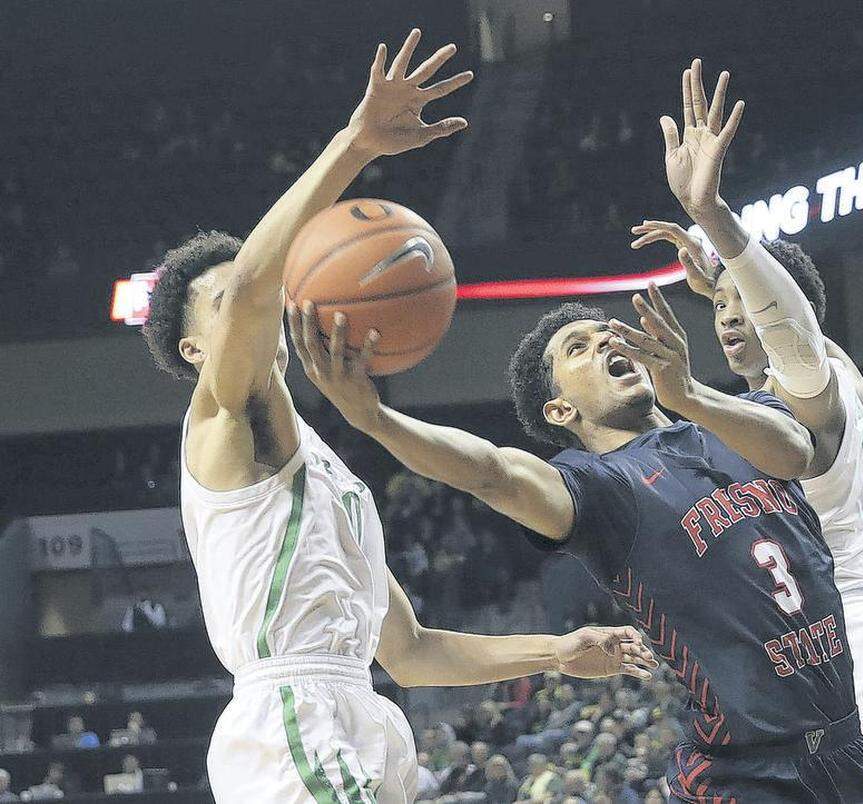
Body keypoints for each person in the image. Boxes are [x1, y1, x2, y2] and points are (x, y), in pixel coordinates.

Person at [291, 62, 863, 804]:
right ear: (561, 412)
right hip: (744, 772)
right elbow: (491, 472)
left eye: (607, 332)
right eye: (578, 350)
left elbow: (812, 378)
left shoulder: (737, 421)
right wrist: (373, 417)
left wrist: (721, 242)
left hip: (847, 746)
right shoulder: (597, 489)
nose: (606, 343)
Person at [140, 30, 653, 803]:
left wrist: (557, 649)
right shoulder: (220, 421)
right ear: (190, 346)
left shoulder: (329, 471)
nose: (264, 295)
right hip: (291, 714)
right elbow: (252, 280)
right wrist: (355, 144)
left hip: (363, 710)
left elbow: (410, 652)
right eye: (227, 300)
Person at [627, 59, 863, 803]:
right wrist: (718, 278)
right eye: (717, 310)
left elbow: (790, 331)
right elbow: (785, 324)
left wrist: (715, 217)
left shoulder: (807, 387)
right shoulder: (829, 385)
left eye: (739, 306)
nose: (724, 317)